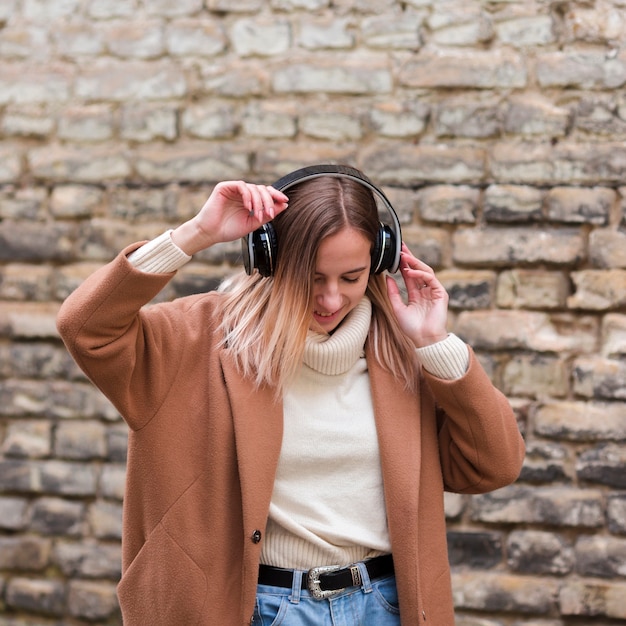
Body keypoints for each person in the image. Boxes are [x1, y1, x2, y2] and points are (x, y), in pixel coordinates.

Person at [57, 164, 525, 626]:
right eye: (312, 277)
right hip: (253, 608)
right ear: (269, 258)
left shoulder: (404, 354)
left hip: (385, 606)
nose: (331, 299)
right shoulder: (198, 340)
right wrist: (197, 234)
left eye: (351, 277)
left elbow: (494, 465)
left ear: (380, 261)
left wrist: (436, 346)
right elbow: (87, 328)